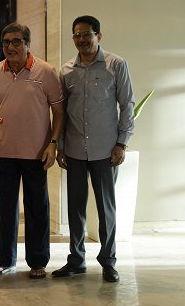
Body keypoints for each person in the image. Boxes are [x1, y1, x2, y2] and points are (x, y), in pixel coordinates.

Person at [52, 15, 135, 283]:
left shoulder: (116, 65)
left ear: (99, 35)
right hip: (75, 149)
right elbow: (62, 112)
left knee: (106, 209)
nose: (81, 40)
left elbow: (128, 105)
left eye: (86, 34)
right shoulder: (66, 70)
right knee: (75, 209)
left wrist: (122, 143)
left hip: (105, 150)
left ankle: (108, 261)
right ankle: (76, 261)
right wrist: (61, 146)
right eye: (76, 35)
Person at [0, 22, 64, 279]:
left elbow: (59, 112)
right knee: (5, 209)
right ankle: (5, 260)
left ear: (28, 44)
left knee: (37, 207)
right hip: (3, 151)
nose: (11, 47)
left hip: (37, 153)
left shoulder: (46, 71)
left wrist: (53, 144)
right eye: (6, 42)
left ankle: (38, 261)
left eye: (17, 41)